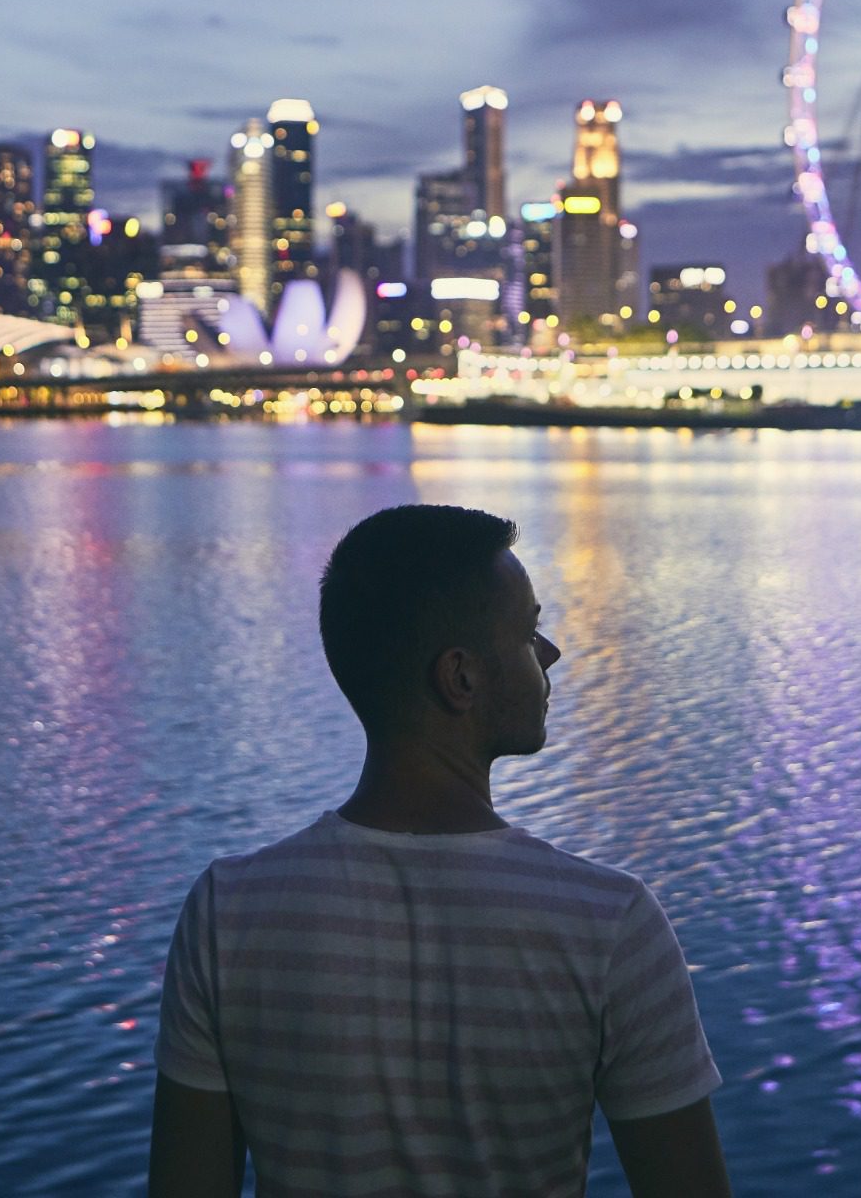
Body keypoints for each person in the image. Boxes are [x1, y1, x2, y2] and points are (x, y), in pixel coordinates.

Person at [149, 504, 730, 1198]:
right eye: (526, 632)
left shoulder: (229, 913)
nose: (550, 653)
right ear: (461, 678)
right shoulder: (607, 924)